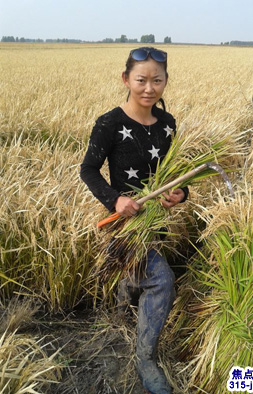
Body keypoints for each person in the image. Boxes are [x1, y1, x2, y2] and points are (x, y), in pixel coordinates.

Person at [80, 47, 188, 394]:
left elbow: (176, 174)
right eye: (141, 79)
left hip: (154, 223)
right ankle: (146, 358)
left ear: (165, 82)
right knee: (161, 279)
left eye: (157, 80)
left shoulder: (168, 124)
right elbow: (88, 170)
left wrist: (181, 194)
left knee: (137, 272)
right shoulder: (109, 123)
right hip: (122, 224)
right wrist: (116, 199)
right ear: (126, 79)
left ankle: (122, 305)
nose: (149, 87)